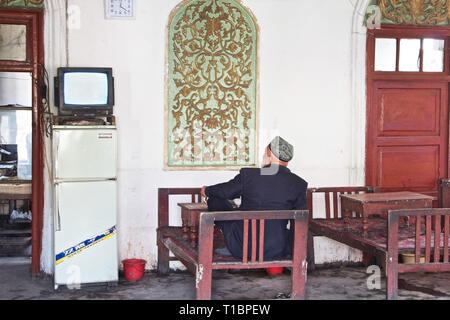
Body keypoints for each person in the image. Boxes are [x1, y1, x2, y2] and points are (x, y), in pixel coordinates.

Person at [200, 136, 308, 261]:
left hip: (242, 247)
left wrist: (207, 190)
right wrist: (294, 250)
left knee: (215, 198)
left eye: (264, 153)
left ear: (269, 155)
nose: (263, 157)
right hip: (278, 249)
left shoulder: (249, 175)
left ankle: (231, 245)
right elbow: (300, 222)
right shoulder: (299, 183)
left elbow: (225, 192)